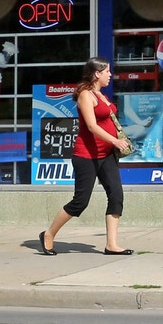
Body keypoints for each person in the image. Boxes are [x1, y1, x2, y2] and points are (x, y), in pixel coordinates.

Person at [41, 57, 132, 256]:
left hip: (106, 155)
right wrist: (115, 141)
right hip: (86, 156)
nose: (110, 74)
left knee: (116, 196)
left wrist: (115, 142)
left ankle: (111, 245)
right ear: (97, 73)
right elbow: (91, 126)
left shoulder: (102, 95)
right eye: (107, 71)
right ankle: (48, 234)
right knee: (80, 202)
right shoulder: (85, 95)